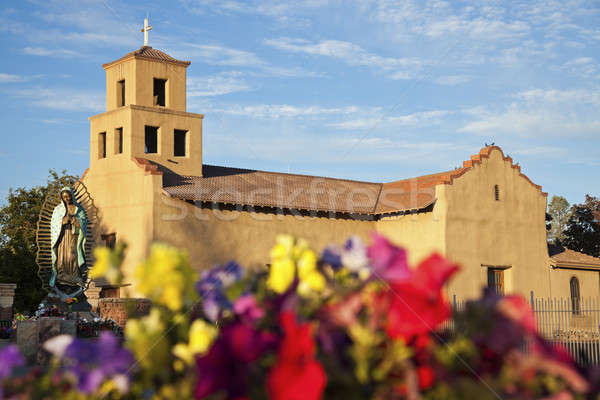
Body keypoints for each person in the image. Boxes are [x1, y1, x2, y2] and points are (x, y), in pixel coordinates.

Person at [50, 187, 87, 288]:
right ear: (61, 198)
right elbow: (54, 224)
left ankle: (74, 275)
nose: (67, 199)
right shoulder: (58, 210)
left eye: (68, 196)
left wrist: (75, 221)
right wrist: (62, 221)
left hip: (73, 236)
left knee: (72, 255)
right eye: (64, 197)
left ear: (72, 196)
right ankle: (61, 275)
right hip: (61, 237)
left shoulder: (78, 209)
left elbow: (84, 223)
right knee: (62, 257)